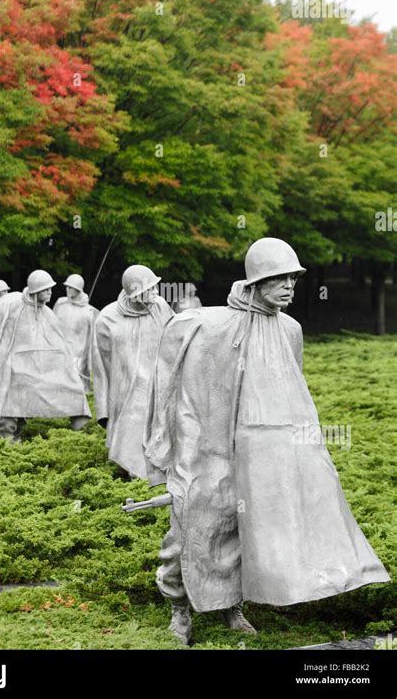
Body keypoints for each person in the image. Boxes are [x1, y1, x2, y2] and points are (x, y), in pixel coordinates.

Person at [144, 237, 390, 645]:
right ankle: (179, 607)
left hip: (266, 454)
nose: (290, 285)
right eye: (280, 278)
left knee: (248, 530)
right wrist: (178, 456)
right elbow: (178, 395)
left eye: (293, 278)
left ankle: (232, 607)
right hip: (210, 450)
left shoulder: (290, 330)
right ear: (256, 281)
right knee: (192, 528)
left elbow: (294, 395)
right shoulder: (210, 326)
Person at [0, 269, 91, 442]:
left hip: (29, 366)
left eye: (51, 289)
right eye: (46, 289)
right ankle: (5, 439)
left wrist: (67, 362)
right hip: (6, 363)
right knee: (8, 404)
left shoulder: (46, 312)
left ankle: (19, 433)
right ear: (36, 290)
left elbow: (58, 341)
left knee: (35, 397)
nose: (50, 292)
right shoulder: (11, 302)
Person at [92, 264, 174, 479]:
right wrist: (104, 409)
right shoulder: (107, 319)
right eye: (151, 289)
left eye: (157, 287)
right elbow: (100, 366)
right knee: (130, 436)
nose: (157, 293)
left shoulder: (161, 307)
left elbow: (176, 336)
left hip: (160, 386)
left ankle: (158, 476)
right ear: (136, 294)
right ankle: (133, 477)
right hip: (126, 392)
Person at [53, 274, 99, 391]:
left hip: (78, 356)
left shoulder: (89, 312)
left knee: (76, 389)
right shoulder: (60, 304)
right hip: (59, 352)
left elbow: (92, 340)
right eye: (67, 287)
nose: (67, 289)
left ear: (78, 289)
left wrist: (87, 361)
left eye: (71, 287)